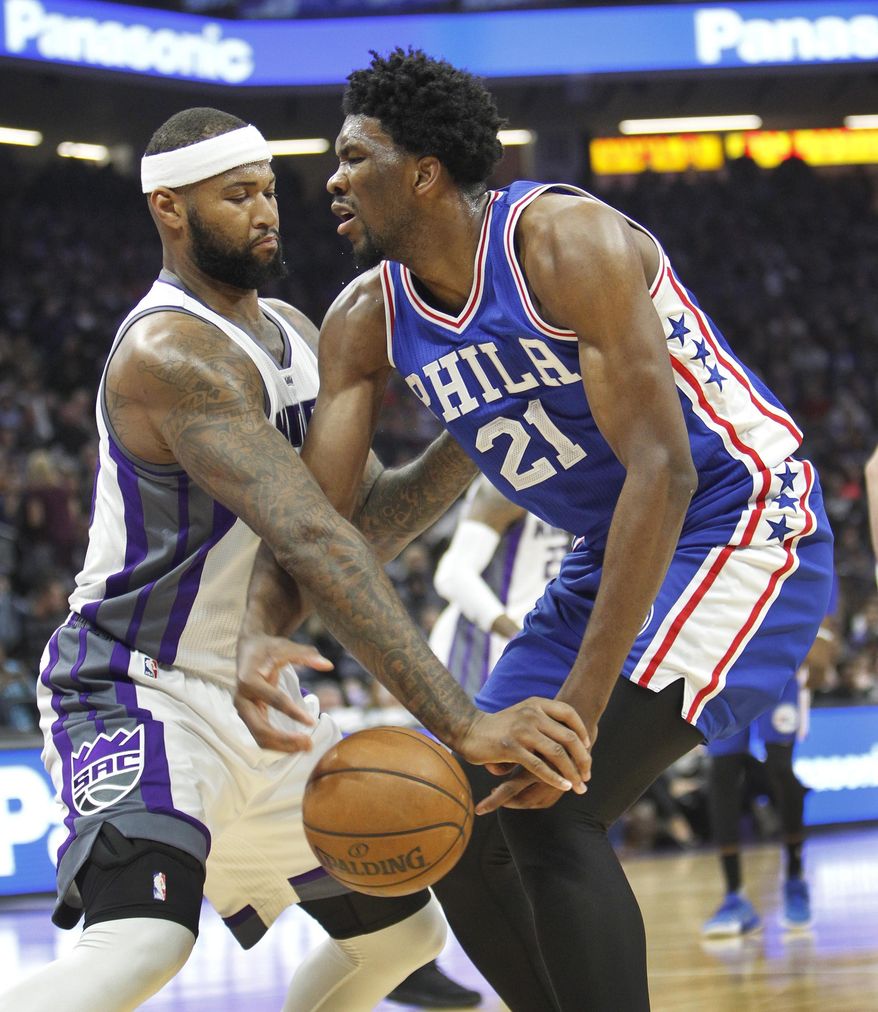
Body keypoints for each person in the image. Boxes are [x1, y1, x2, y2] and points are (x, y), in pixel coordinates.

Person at [236, 49, 836, 1011]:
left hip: (745, 521)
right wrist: (264, 628)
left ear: (425, 171)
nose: (332, 180)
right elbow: (319, 524)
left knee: (555, 801)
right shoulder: (365, 318)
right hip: (614, 552)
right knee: (468, 815)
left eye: (355, 157)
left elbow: (665, 468)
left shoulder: (563, 241)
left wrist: (580, 716)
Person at [0, 107, 591, 1012]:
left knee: (405, 936)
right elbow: (313, 544)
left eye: (269, 190)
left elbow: (363, 521)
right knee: (142, 947)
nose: (267, 212)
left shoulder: (293, 332)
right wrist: (462, 720)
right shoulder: (171, 350)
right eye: (237, 197)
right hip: (134, 684)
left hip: (259, 696)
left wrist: (489, 414)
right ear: (169, 208)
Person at [701, 604, 837, 937]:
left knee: (780, 768)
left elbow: (826, 605)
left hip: (778, 663)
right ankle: (734, 896)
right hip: (725, 666)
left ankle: (794, 878)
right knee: (722, 773)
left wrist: (824, 640)